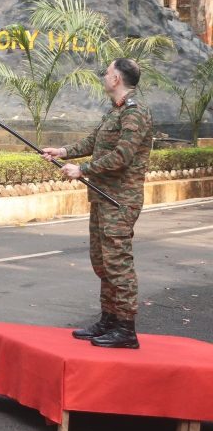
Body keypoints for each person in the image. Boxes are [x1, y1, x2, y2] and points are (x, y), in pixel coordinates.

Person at [42, 59, 153, 349]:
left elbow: (122, 156)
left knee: (118, 263)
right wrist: (64, 152)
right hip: (103, 198)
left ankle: (126, 329)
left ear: (116, 79)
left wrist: (83, 170)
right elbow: (95, 141)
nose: (104, 77)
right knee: (102, 262)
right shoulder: (114, 112)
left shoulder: (135, 113)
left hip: (120, 200)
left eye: (107, 73)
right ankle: (110, 320)